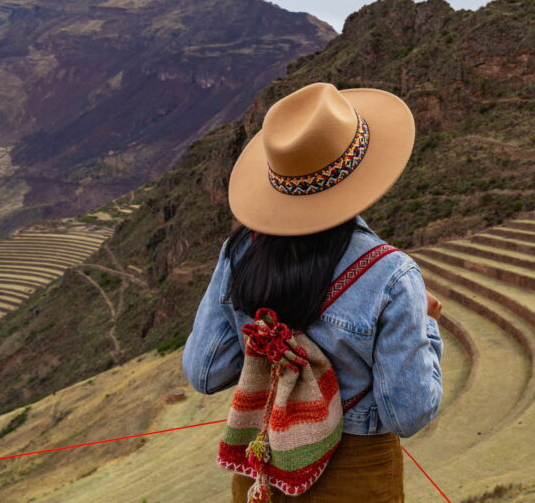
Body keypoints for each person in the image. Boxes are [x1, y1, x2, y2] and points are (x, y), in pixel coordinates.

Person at [182, 82, 443, 502]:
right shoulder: (391, 275)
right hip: (357, 477)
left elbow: (205, 372)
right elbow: (408, 412)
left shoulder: (237, 255)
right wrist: (427, 326)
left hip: (262, 473)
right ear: (361, 168)